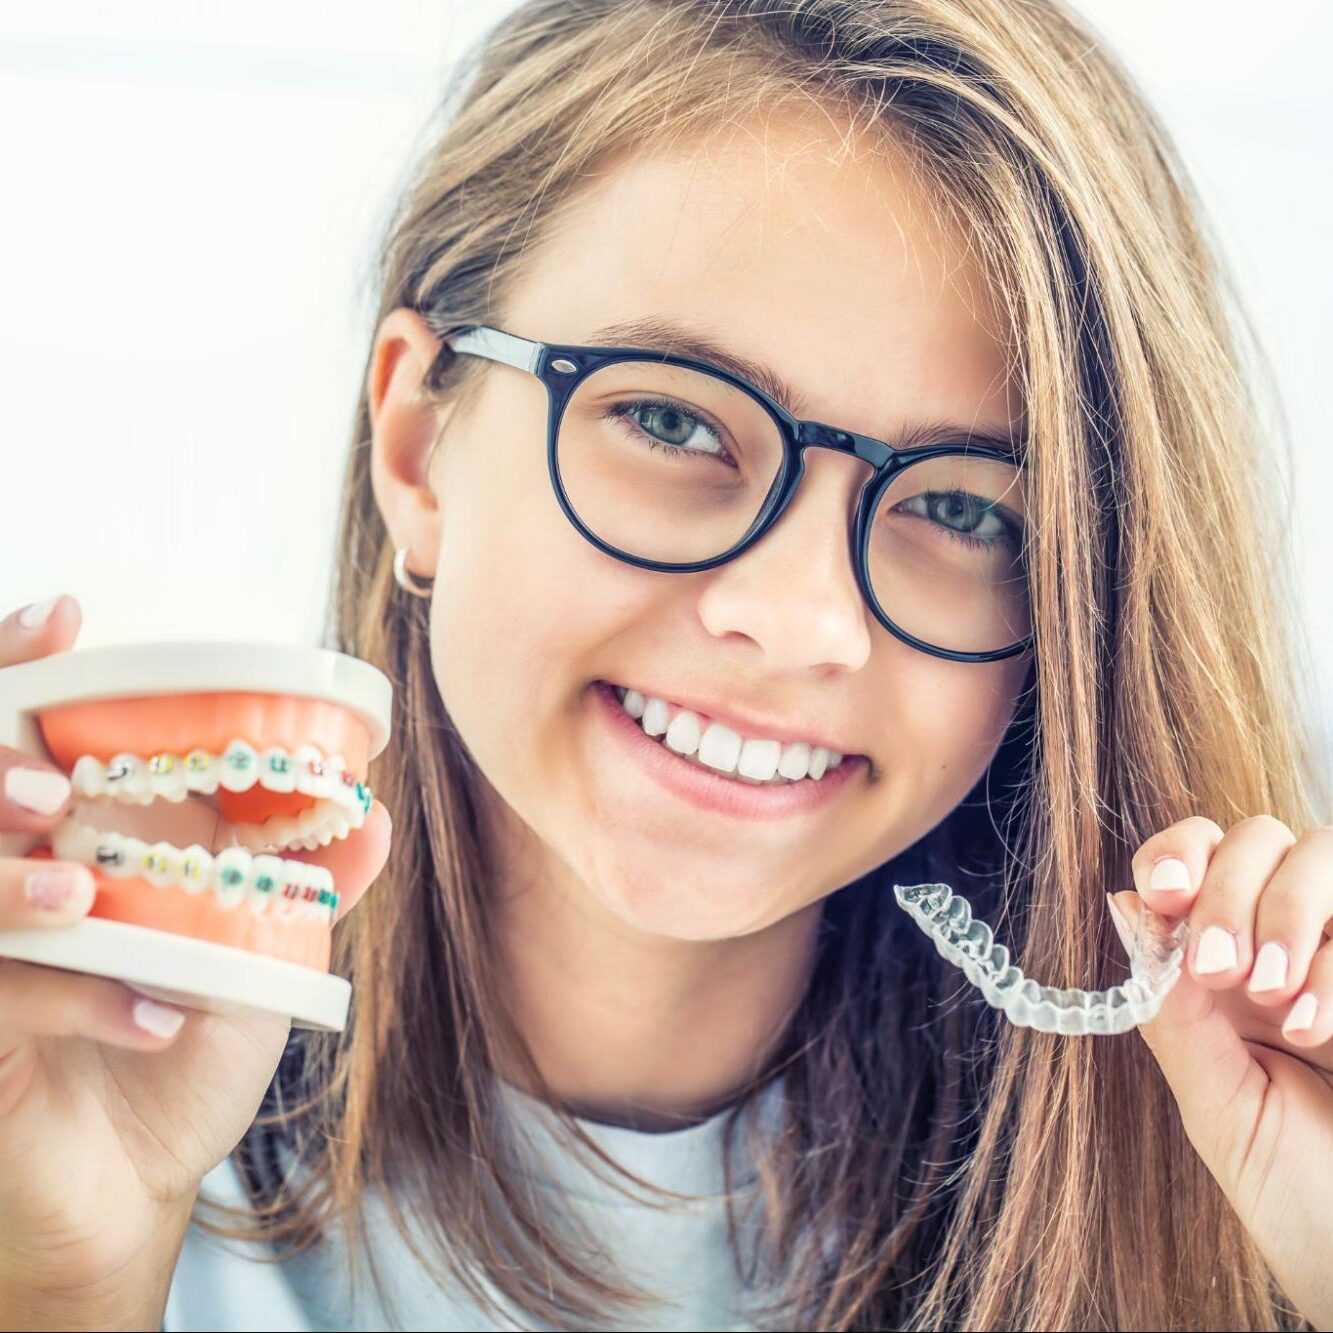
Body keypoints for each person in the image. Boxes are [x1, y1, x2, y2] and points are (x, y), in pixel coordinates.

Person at [1, 0, 1330, 1328]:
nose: (798, 617)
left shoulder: (1233, 1160)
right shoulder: (79, 1068)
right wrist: (64, 1271)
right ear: (416, 446)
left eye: (966, 506)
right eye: (670, 417)